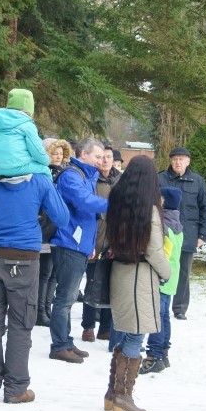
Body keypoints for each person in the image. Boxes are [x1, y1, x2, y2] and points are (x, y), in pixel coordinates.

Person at [0, 164, 70, 403]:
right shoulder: (39, 180)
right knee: (21, 323)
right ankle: (16, 389)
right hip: (24, 262)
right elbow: (63, 218)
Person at [103, 156, 171, 411]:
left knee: (126, 333)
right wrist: (167, 273)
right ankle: (123, 395)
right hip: (139, 276)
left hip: (119, 272)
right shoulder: (150, 210)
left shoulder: (116, 203)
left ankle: (113, 394)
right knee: (136, 334)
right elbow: (154, 250)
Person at [48, 137, 108, 363]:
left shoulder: (87, 176)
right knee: (64, 297)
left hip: (79, 245)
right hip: (67, 244)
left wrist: (90, 245)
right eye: (97, 156)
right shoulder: (72, 175)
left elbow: (87, 216)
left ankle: (66, 341)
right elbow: (85, 203)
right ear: (84, 155)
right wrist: (116, 204)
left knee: (70, 296)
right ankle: (59, 345)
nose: (101, 161)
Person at [157, 146, 206, 320]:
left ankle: (180, 307)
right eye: (175, 159)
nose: (178, 162)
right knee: (162, 268)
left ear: (188, 161)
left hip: (188, 235)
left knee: (183, 272)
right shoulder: (160, 178)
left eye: (182, 159)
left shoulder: (197, 181)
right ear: (170, 161)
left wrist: (202, 235)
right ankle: (160, 302)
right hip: (163, 234)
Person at [141, 187, 183, 374]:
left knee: (156, 317)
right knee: (164, 316)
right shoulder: (177, 223)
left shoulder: (163, 225)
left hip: (162, 278)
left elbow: (162, 254)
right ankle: (164, 353)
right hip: (172, 278)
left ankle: (154, 355)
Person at [81, 145, 120, 343]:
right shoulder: (91, 179)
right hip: (94, 239)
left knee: (112, 285)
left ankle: (105, 327)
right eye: (102, 157)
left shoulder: (120, 181)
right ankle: (88, 326)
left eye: (109, 157)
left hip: (114, 240)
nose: (105, 160)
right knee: (92, 282)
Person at [37, 139, 72, 327]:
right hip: (44, 228)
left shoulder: (65, 173)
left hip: (58, 229)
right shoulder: (44, 174)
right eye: (54, 153)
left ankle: (46, 308)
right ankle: (39, 310)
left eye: (60, 153)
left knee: (52, 274)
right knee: (44, 273)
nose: (58, 157)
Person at [0, 88, 51, 178]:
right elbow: (37, 150)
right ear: (29, 107)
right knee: (45, 169)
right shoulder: (27, 124)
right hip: (14, 167)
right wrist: (47, 161)